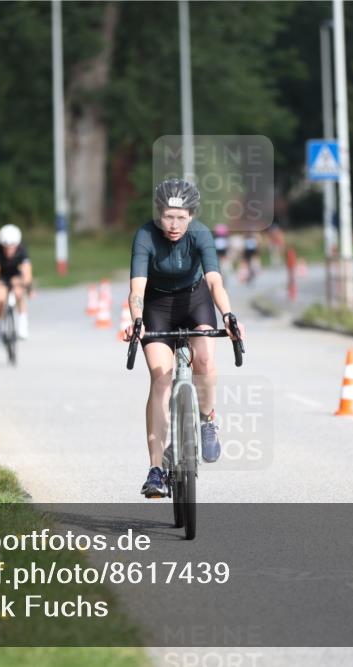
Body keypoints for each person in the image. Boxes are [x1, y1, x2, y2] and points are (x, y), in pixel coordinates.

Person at [125, 179, 246, 498]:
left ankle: (207, 419)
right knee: (160, 376)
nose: (174, 224)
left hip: (196, 301)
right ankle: (155, 469)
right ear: (158, 215)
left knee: (204, 358)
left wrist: (229, 316)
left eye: (180, 217)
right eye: (167, 216)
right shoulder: (146, 235)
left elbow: (215, 282)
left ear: (191, 215)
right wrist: (137, 320)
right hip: (157, 305)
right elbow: (137, 288)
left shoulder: (201, 234)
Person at [0, 224, 32, 340]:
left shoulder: (22, 249)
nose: (9, 250)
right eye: (6, 247)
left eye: (12, 247)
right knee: (0, 298)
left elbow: (26, 269)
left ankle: (23, 324)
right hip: (1, 275)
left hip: (15, 274)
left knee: (19, 292)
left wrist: (28, 285)